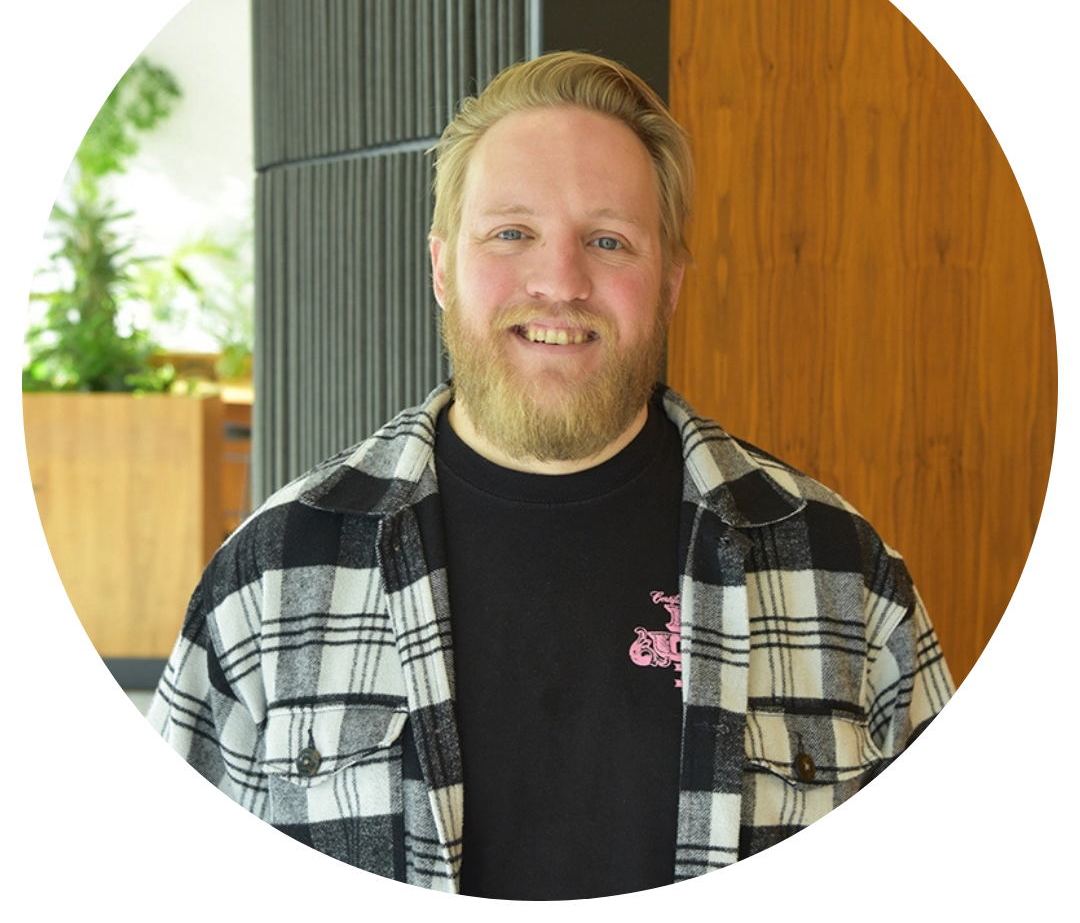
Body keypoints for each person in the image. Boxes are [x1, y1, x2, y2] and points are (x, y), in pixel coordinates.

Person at [149, 51, 954, 899]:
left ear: (670, 284)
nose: (561, 282)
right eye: (512, 233)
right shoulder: (273, 575)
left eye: (609, 241)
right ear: (441, 268)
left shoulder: (843, 575)